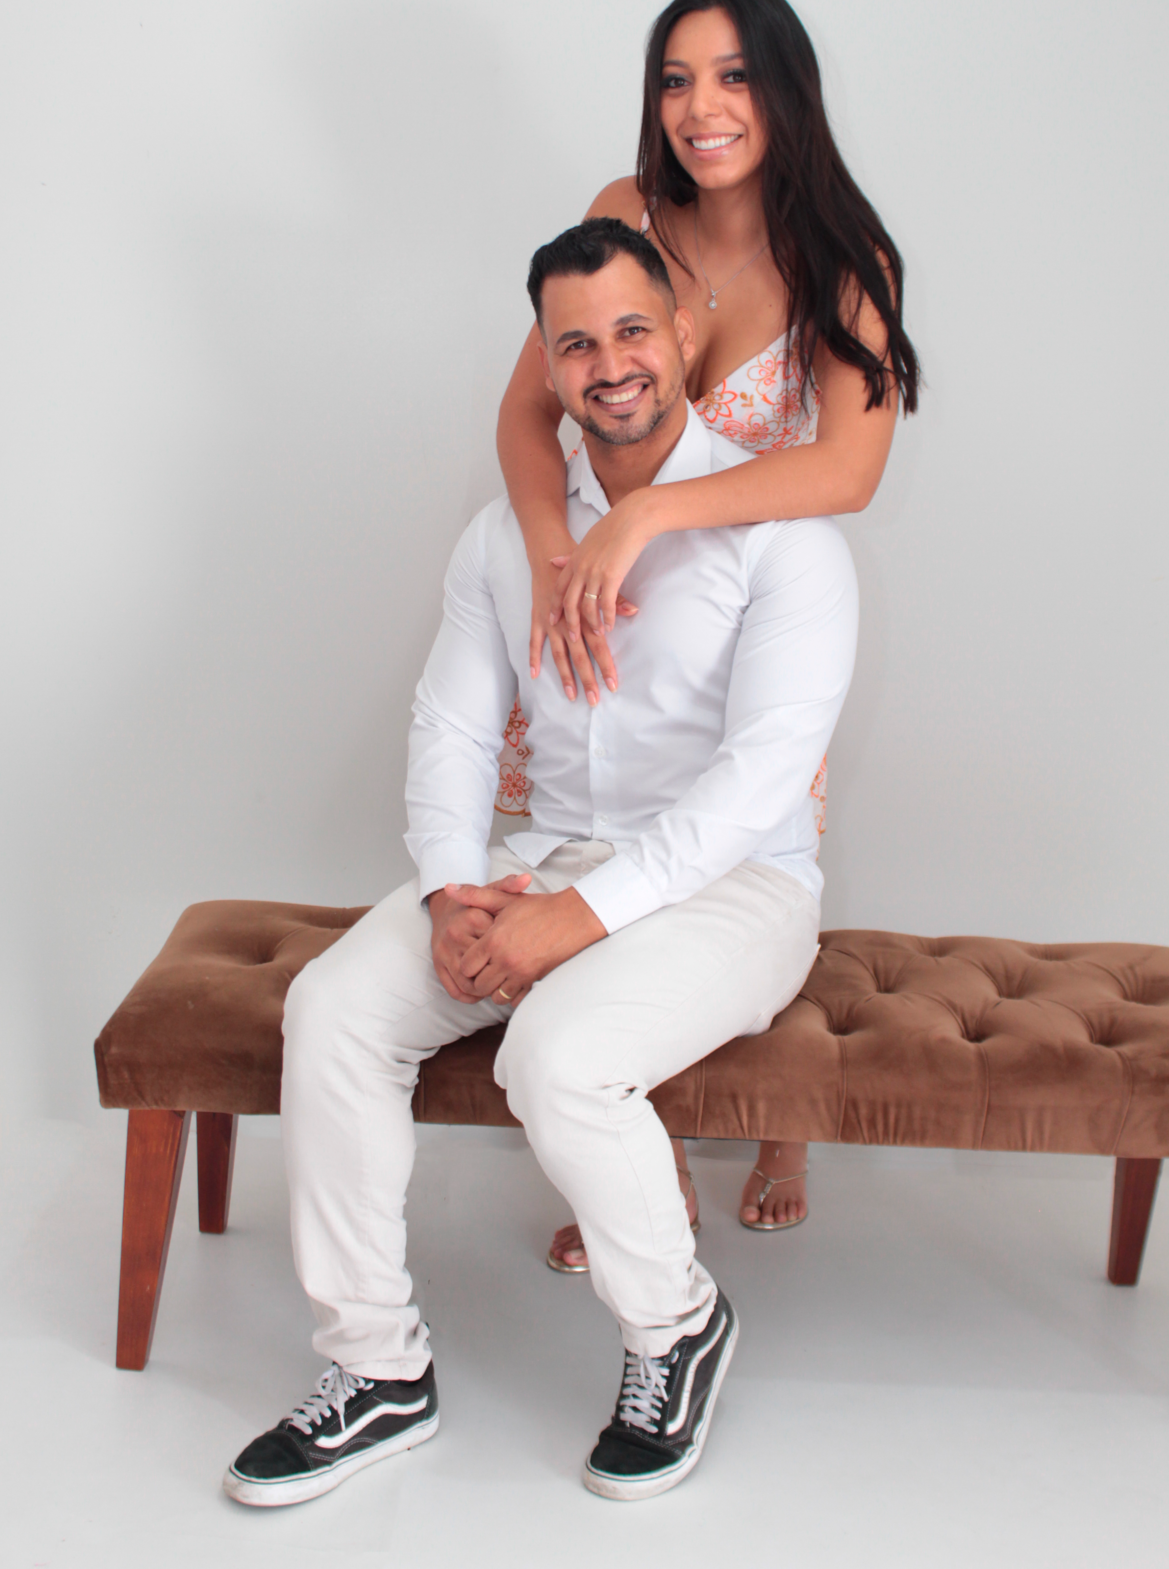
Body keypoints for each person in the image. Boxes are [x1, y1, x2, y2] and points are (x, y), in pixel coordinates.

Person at [223, 218, 858, 1508]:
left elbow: (756, 785)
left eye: (633, 330)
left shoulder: (784, 535)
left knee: (560, 1058)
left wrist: (579, 917)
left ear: (683, 333)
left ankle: (677, 1328)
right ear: (550, 365)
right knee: (333, 1009)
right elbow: (454, 727)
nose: (610, 365)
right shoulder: (507, 538)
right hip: (543, 853)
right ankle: (376, 1367)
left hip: (743, 886)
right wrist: (454, 886)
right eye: (577, 345)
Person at [495, 0, 919, 1262]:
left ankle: (781, 1119)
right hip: (601, 616)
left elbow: (847, 471)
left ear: (784, 89)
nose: (702, 107)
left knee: (729, 869)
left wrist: (652, 517)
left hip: (742, 626)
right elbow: (525, 412)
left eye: (733, 76)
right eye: (676, 80)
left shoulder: (844, 255)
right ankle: (644, 1166)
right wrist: (561, 551)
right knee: (589, 866)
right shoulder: (622, 212)